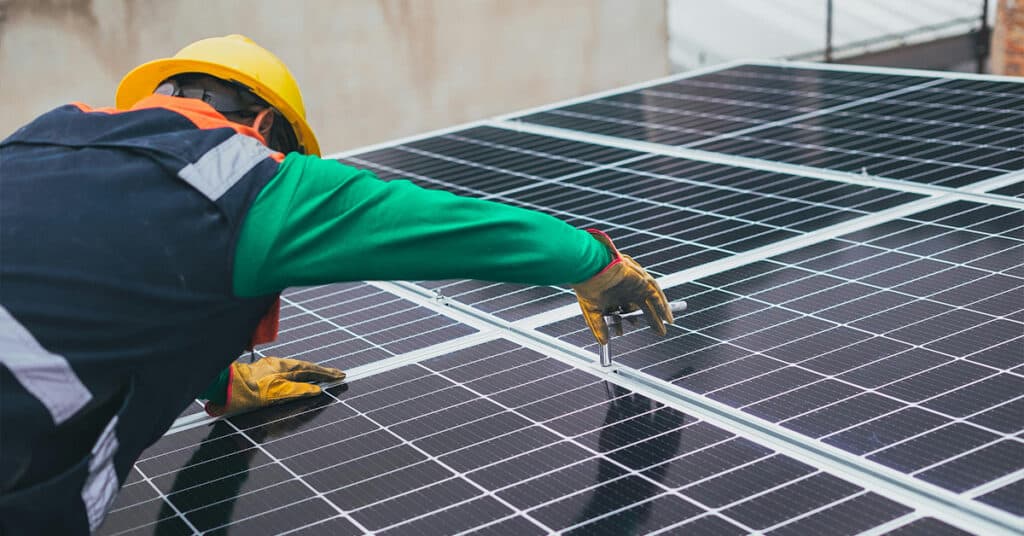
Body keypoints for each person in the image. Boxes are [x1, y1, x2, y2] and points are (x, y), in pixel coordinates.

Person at [0, 34, 673, 534]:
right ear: (266, 126)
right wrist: (595, 263)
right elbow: (450, 225)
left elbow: (103, 278)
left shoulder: (40, 138)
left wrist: (220, 381)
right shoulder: (250, 177)